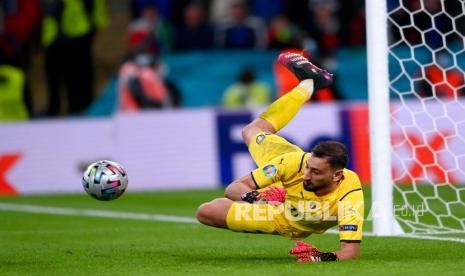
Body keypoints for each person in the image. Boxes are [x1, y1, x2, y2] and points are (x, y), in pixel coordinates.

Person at [197, 52, 364, 262]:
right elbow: (233, 189)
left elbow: (350, 252)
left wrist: (319, 258)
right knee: (206, 212)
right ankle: (308, 86)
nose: (307, 175)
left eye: (316, 171)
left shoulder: (349, 192)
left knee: (252, 131)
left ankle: (309, 84)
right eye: (309, 166)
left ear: (336, 176)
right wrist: (258, 199)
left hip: (292, 214)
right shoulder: (294, 164)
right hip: (277, 214)